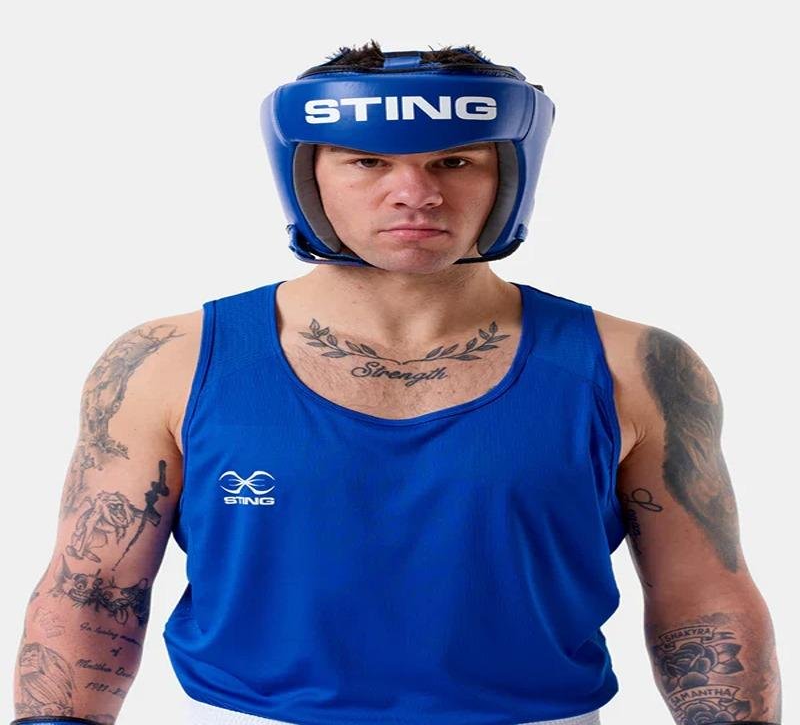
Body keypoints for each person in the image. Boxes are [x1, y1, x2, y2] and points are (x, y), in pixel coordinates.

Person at [11, 41, 782, 725]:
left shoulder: (633, 365)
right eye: (367, 162)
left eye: (455, 161)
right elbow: (94, 583)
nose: (414, 192)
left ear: (510, 172)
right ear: (307, 173)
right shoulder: (167, 360)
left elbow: (701, 594)